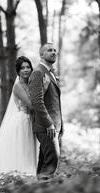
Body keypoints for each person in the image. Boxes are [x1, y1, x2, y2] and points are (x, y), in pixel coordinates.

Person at [0, 56, 38, 182]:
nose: (26, 70)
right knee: (22, 150)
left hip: (32, 121)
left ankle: (29, 176)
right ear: (18, 71)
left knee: (29, 151)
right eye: (22, 68)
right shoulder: (18, 86)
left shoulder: (31, 84)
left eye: (28, 67)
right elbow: (31, 105)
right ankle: (22, 176)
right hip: (23, 121)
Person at [28, 43, 64, 180]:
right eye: (49, 50)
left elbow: (55, 103)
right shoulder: (38, 73)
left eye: (55, 50)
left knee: (45, 163)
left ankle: (37, 191)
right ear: (41, 55)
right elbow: (37, 102)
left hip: (54, 126)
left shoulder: (50, 73)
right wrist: (49, 124)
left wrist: (61, 126)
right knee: (51, 163)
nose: (54, 52)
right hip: (46, 127)